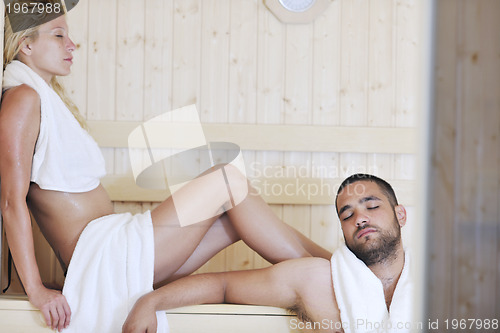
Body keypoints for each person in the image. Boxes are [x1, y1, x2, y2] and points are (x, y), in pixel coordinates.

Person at [0, 7, 330, 333]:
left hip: (117, 253)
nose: (72, 45)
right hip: (104, 258)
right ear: (26, 44)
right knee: (225, 180)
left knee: (235, 216)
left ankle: (339, 268)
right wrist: (36, 289)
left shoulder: (42, 98)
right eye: (59, 36)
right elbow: (11, 202)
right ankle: (339, 276)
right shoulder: (23, 99)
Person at [122, 173, 411, 333]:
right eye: (347, 215)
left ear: (400, 214)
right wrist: (151, 301)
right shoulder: (316, 280)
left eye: (372, 207)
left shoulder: (443, 282)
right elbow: (221, 286)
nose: (359, 218)